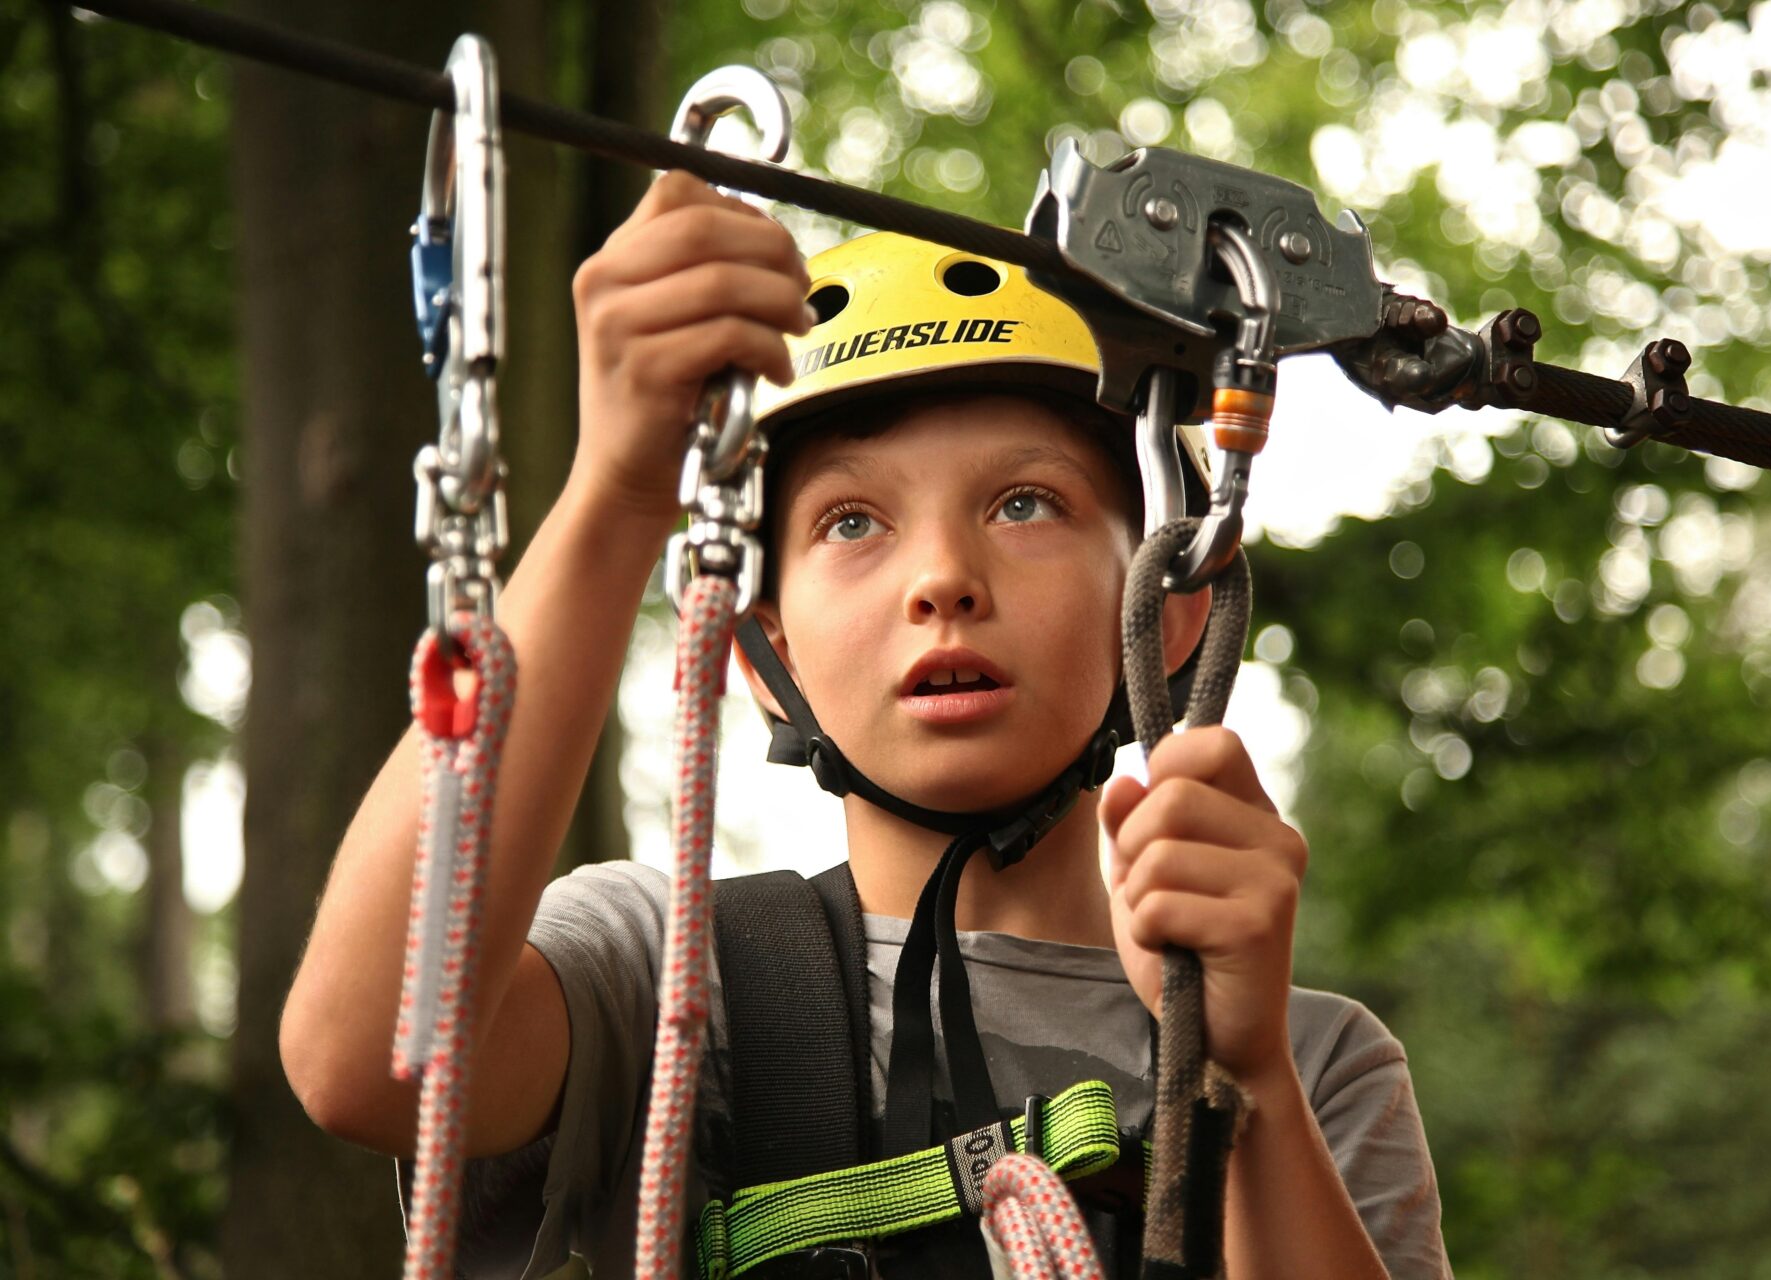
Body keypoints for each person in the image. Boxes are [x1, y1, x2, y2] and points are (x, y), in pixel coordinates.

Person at [278, 170, 1452, 1279]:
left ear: (1169, 604)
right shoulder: (672, 980)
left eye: (1025, 502)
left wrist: (1238, 1076)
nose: (942, 576)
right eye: (850, 522)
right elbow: (369, 1058)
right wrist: (619, 488)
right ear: (767, 654)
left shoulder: (1318, 1065)